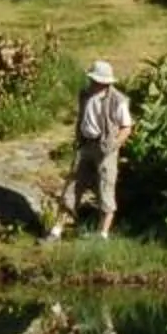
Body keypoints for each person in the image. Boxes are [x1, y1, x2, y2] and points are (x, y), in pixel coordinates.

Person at [53, 60, 134, 240]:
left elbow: (126, 127)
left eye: (97, 81)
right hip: (85, 146)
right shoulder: (85, 95)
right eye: (93, 81)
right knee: (72, 187)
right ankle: (56, 230)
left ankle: (102, 234)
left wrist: (113, 145)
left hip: (106, 149)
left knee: (106, 188)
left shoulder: (118, 100)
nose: (93, 84)